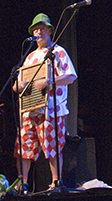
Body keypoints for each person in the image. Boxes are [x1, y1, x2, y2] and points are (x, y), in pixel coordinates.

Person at [13, 13, 77, 191]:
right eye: (35, 29)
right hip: (29, 109)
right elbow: (18, 82)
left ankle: (55, 183)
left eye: (41, 29)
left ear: (49, 31)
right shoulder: (30, 57)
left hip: (52, 108)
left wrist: (49, 82)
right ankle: (23, 184)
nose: (38, 32)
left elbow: (71, 76)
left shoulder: (58, 51)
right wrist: (19, 85)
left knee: (53, 148)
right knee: (24, 148)